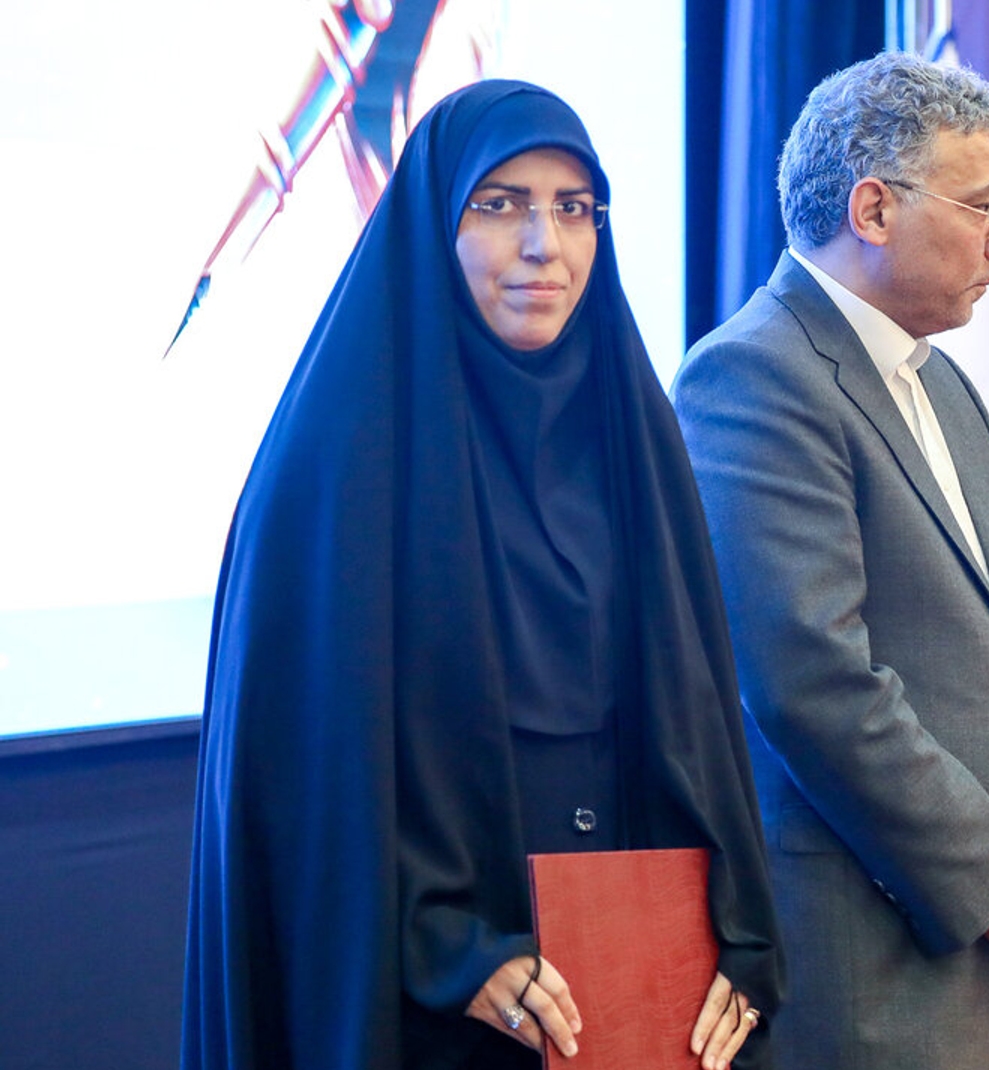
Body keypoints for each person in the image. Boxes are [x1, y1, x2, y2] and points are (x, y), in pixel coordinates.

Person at [181, 80, 780, 1070]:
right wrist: (439, 940)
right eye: (500, 205)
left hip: (637, 991)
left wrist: (740, 931)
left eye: (574, 208)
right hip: (430, 1013)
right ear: (434, 226)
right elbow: (299, 773)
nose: (546, 244)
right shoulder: (330, 465)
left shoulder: (634, 439)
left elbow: (703, 722)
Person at [672, 52, 989, 1070]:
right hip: (879, 980)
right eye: (985, 207)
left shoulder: (948, 387)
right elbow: (812, 683)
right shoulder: (753, 375)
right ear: (873, 209)